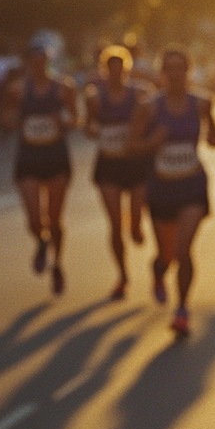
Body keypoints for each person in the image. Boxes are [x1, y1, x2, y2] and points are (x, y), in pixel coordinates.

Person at [130, 49, 215, 335]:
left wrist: (212, 131)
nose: (175, 74)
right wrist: (153, 143)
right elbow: (130, 146)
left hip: (192, 185)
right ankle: (158, 271)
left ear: (188, 71)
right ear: (162, 74)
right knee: (166, 255)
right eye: (169, 69)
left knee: (184, 250)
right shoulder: (150, 107)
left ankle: (182, 309)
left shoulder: (202, 103)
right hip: (161, 189)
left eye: (181, 68)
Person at [3, 43, 78, 296]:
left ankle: (57, 264)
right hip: (29, 158)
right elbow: (6, 116)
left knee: (55, 219)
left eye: (42, 61)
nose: (38, 66)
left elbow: (76, 119)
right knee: (35, 219)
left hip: (56, 157)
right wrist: (13, 121)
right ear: (27, 63)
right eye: (33, 61)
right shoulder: (18, 89)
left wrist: (63, 121)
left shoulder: (63, 88)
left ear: (47, 62)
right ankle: (41, 241)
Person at [85, 45, 152, 300]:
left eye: (120, 70)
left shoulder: (141, 94)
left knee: (134, 225)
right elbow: (89, 125)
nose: (116, 75)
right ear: (105, 71)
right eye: (110, 70)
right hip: (109, 164)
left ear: (127, 69)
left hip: (135, 164)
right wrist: (91, 130)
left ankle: (136, 225)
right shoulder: (95, 96)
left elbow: (153, 118)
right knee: (115, 224)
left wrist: (140, 135)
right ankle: (122, 275)